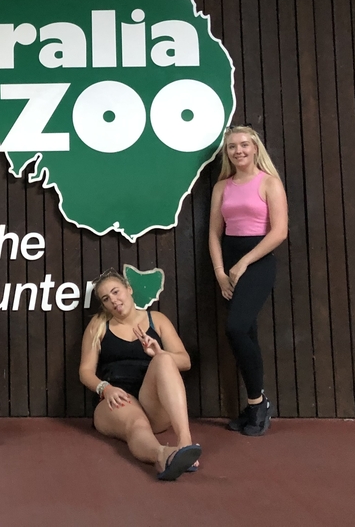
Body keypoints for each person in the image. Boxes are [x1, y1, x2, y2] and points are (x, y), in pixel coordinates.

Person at [78, 269, 201, 481]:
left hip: (152, 399)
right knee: (136, 423)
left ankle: (184, 442)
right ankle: (163, 455)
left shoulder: (157, 320)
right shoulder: (98, 325)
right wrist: (105, 389)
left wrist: (159, 353)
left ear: (129, 289)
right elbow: (85, 371)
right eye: (106, 299)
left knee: (163, 360)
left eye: (116, 292)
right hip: (117, 399)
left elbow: (185, 361)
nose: (114, 301)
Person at [208, 125, 288, 436]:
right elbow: (214, 234)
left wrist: (242, 264)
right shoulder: (221, 187)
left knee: (236, 327)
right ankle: (256, 405)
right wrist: (220, 272)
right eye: (232, 147)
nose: (238, 151)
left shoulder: (269, 183)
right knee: (247, 334)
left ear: (255, 148)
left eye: (244, 145)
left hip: (257, 263)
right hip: (227, 262)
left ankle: (257, 402)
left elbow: (279, 232)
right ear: (227, 153)